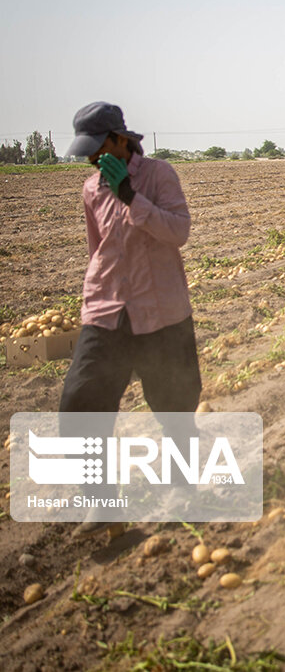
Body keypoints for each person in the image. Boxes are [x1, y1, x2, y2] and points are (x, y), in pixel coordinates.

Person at [61, 102, 203, 534]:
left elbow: (178, 231)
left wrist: (132, 199)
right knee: (80, 403)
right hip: (107, 309)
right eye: (87, 152)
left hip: (160, 309)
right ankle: (102, 502)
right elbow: (96, 249)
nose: (92, 158)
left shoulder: (159, 175)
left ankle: (184, 490)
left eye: (98, 146)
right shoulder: (91, 188)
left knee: (175, 406)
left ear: (122, 139)